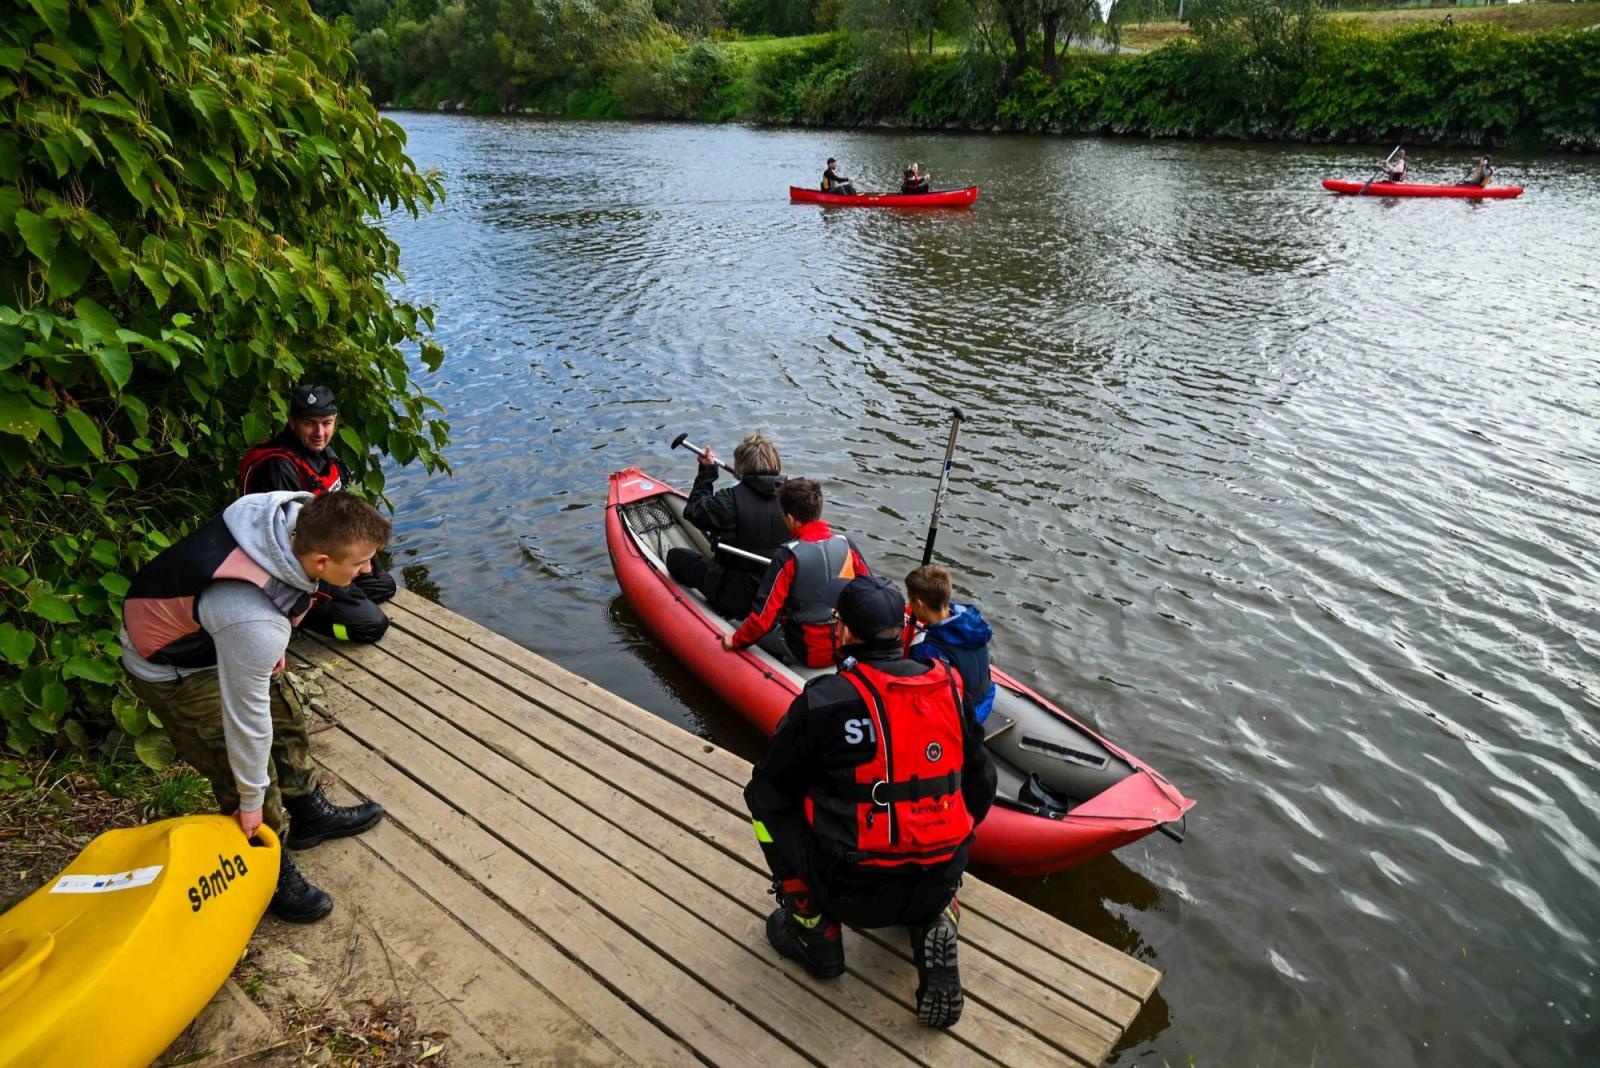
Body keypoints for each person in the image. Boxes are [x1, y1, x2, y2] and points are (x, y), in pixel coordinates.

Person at [120, 491, 392, 923]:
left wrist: (268, 638)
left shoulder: (283, 512)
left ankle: (308, 811)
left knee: (285, 712)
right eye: (360, 563)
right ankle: (267, 864)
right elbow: (245, 723)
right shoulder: (251, 622)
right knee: (239, 760)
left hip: (220, 628)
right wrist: (250, 797)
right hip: (176, 666)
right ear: (321, 561)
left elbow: (282, 598)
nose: (369, 570)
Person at [745, 575, 997, 1028]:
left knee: (763, 804)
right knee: (934, 821)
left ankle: (814, 929)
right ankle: (935, 915)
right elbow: (982, 784)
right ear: (902, 629)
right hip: (941, 873)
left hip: (849, 889)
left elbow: (768, 790)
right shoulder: (951, 688)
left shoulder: (824, 702)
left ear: (843, 633)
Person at [238, 383, 395, 644]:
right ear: (292, 421)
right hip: (294, 571)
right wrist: (334, 587)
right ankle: (300, 621)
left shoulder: (321, 454)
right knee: (372, 626)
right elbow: (286, 547)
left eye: (327, 422)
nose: (320, 432)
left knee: (383, 584)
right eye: (310, 423)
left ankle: (340, 599)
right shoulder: (278, 467)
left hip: (327, 554)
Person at [720, 478, 871, 668]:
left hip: (807, 650)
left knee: (736, 623)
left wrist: (735, 639)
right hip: (845, 643)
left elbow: (763, 618)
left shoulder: (788, 555)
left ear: (790, 519)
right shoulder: (846, 544)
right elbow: (870, 591)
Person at [665, 432, 787, 619]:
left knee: (675, 557)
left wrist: (707, 473)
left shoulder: (730, 500)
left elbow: (694, 512)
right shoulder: (794, 498)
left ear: (741, 467)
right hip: (776, 592)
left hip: (735, 595)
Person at [905, 564, 997, 725]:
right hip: (986, 702)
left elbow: (918, 696)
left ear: (919, 604)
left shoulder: (924, 647)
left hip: (962, 719)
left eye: (910, 600)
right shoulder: (973, 622)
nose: (910, 605)